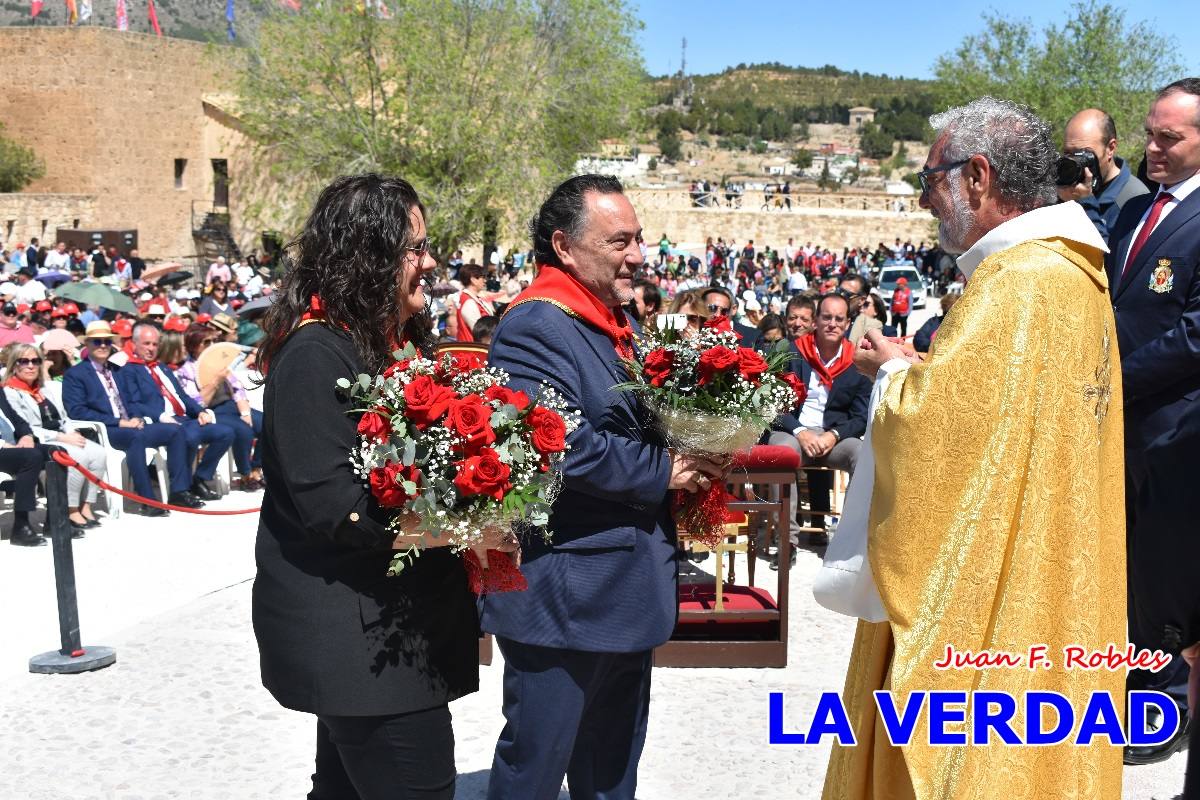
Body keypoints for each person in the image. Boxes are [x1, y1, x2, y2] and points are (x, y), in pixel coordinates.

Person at [824, 97, 1123, 800]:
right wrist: (923, 372)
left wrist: (893, 374)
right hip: (1049, 566)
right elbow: (1003, 419)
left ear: (979, 177)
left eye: (931, 179)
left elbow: (937, 436)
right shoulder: (1074, 274)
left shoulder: (1018, 282)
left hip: (992, 603)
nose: (927, 199)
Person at [253, 174, 507, 800]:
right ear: (368, 257)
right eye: (414, 248)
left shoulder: (382, 344)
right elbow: (338, 511)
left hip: (386, 627)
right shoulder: (317, 353)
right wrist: (471, 524)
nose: (429, 262)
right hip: (357, 640)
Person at [482, 175, 726, 800]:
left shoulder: (609, 322)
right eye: (620, 242)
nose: (638, 256)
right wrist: (663, 471)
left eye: (638, 239)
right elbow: (555, 439)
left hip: (623, 587)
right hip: (567, 593)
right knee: (536, 766)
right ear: (565, 247)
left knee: (611, 768)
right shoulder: (536, 325)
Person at [1105, 77, 1200, 767]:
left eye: (1170, 137)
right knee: (1128, 570)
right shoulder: (1142, 211)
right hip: (1122, 427)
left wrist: (1112, 380)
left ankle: (1162, 709)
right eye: (1150, 133)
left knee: (1167, 573)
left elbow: (1196, 333)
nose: (1153, 147)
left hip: (1174, 432)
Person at [768, 293, 870, 561]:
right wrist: (800, 432)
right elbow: (773, 403)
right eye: (827, 317)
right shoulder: (791, 353)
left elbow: (860, 415)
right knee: (781, 453)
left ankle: (846, 543)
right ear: (816, 321)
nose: (832, 324)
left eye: (839, 319)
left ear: (847, 323)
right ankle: (786, 541)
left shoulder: (857, 360)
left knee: (861, 454)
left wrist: (833, 435)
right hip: (793, 431)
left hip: (832, 437)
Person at [62, 320, 195, 516]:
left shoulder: (118, 370)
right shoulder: (76, 374)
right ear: (87, 345)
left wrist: (136, 417)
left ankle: (179, 491)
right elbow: (77, 411)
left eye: (107, 342)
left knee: (175, 430)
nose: (103, 346)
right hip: (106, 430)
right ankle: (147, 500)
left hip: (130, 426)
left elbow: (131, 401)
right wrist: (120, 422)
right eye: (97, 342)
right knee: (135, 437)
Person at [120, 323, 235, 502]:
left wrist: (200, 411)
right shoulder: (129, 370)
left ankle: (200, 478)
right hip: (163, 421)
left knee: (225, 433)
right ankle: (180, 489)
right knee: (189, 436)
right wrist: (161, 416)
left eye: (155, 344)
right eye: (146, 344)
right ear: (135, 344)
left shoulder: (162, 367)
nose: (151, 348)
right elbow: (134, 403)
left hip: (183, 418)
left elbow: (182, 396)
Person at [4, 344, 108, 532]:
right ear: (14, 365)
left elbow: (63, 417)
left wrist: (70, 432)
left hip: (60, 435)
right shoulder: (10, 392)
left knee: (98, 453)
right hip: (41, 439)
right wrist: (62, 437)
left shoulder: (43, 388)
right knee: (76, 455)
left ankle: (86, 505)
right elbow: (24, 427)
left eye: (35, 361)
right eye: (24, 361)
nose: (30, 366)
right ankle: (70, 509)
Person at [1058, 108, 1150, 241]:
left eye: (1084, 154)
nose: (1074, 162)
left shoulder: (1134, 199)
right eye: (1068, 153)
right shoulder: (1065, 186)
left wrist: (1085, 203)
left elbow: (1113, 259)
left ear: (1110, 148)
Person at [0, 388, 51, 546]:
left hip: (12, 447)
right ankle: (21, 527)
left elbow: (16, 418)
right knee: (31, 457)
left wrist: (27, 435)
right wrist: (3, 444)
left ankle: (55, 520)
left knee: (56, 453)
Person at [453, 262, 494, 342]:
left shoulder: (471, 299)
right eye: (483, 277)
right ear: (473, 280)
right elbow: (481, 334)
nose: (485, 280)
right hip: (473, 351)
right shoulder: (469, 303)